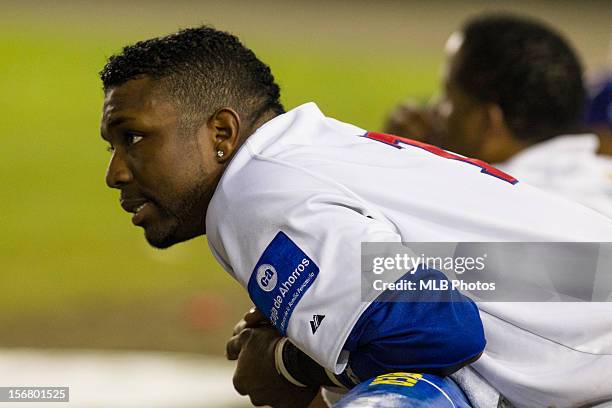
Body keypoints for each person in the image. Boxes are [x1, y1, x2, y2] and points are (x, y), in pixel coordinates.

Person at [99, 26, 612, 407]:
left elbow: (442, 329)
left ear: (221, 134)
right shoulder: (306, 152)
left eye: (135, 138)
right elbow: (441, 300)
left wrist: (288, 364)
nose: (116, 172)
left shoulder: (255, 190)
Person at [385, 13, 612, 218]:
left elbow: (377, 260)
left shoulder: (475, 205)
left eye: (448, 97)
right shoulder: (601, 173)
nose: (433, 110)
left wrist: (398, 167)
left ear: (489, 122)